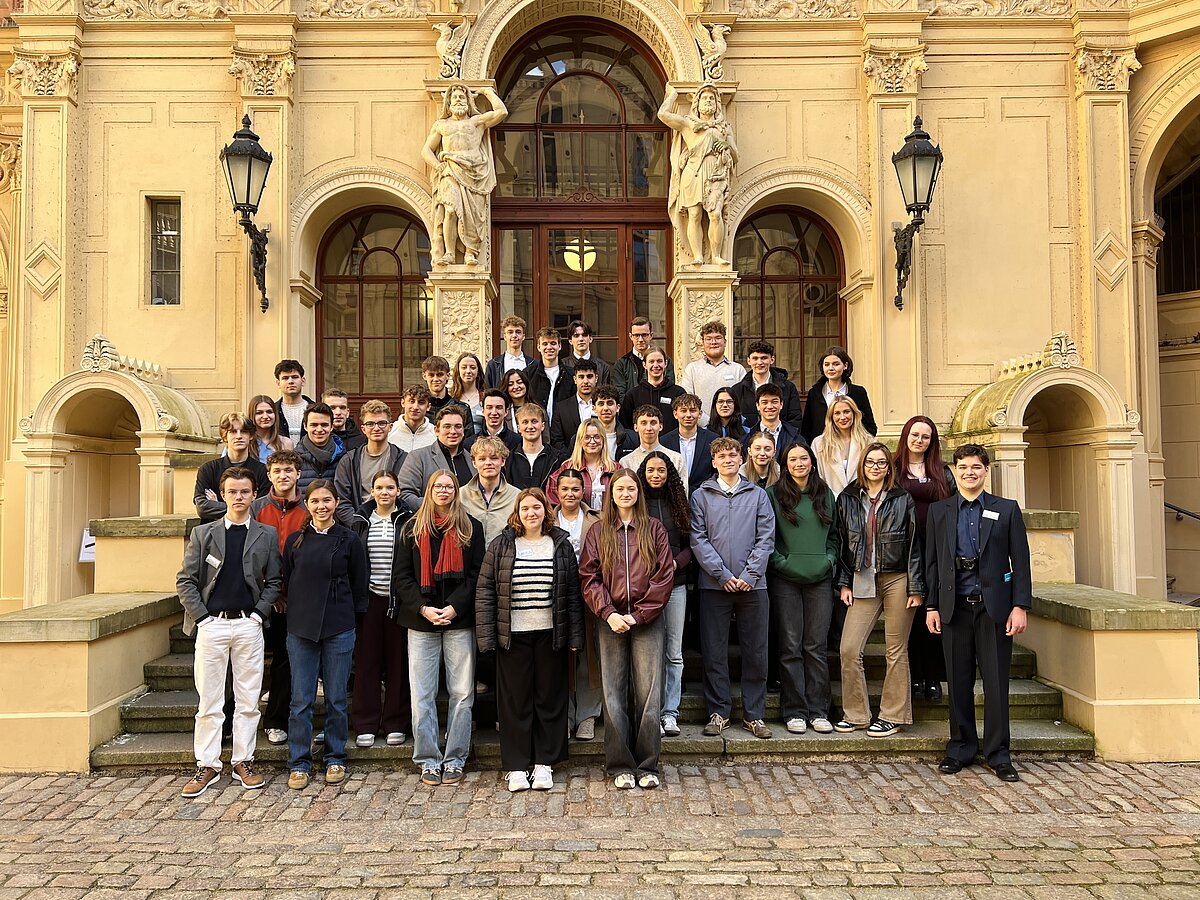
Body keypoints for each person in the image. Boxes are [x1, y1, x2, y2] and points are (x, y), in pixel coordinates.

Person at [925, 444, 1031, 783]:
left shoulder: (1007, 510)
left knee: (997, 684)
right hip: (954, 607)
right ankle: (960, 748)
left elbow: (1022, 562)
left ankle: (999, 754)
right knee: (958, 683)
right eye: (963, 467)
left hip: (994, 609)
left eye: (976, 467)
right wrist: (931, 605)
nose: (969, 472)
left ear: (986, 472)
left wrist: (1020, 606)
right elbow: (931, 563)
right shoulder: (939, 511)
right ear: (954, 471)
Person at [177, 467, 281, 799]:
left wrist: (257, 614)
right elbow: (186, 581)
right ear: (223, 495)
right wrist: (203, 618)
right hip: (212, 624)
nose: (239, 497)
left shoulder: (265, 534)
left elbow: (275, 581)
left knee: (249, 699)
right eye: (233, 492)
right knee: (209, 700)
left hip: (248, 625)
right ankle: (206, 764)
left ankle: (243, 760)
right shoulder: (203, 533)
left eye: (245, 492)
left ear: (254, 495)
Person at [476, 487, 584, 792]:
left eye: (536, 507)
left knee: (548, 699)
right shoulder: (502, 545)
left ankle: (543, 763)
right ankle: (516, 766)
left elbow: (572, 594)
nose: (531, 513)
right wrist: (487, 638)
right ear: (517, 513)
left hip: (551, 634)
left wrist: (574, 636)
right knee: (515, 702)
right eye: (525, 508)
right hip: (513, 636)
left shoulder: (559, 545)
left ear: (545, 511)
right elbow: (485, 592)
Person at [579, 469, 674, 789]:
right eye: (619, 488)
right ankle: (620, 764)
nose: (625, 493)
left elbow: (664, 576)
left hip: (647, 621)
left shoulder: (654, 529)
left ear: (638, 493)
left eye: (631, 488)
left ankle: (648, 765)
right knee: (613, 692)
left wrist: (641, 614)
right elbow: (589, 578)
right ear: (610, 493)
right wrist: (608, 613)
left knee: (648, 692)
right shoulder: (598, 532)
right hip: (610, 621)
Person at [391, 471, 486, 786]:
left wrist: (454, 607)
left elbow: (476, 575)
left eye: (449, 486)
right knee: (422, 694)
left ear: (456, 491)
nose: (443, 491)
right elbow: (401, 576)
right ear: (429, 490)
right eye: (438, 486)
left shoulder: (471, 528)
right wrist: (423, 607)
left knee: (461, 693)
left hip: (459, 619)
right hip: (420, 621)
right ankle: (428, 760)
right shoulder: (410, 529)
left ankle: (456, 757)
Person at [282, 479, 369, 790]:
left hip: (339, 625)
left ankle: (335, 756)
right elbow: (287, 580)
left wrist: (351, 621)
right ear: (308, 505)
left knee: (335, 698)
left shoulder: (349, 540)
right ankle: (300, 762)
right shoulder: (295, 541)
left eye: (327, 500)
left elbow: (360, 585)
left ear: (336, 503)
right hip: (302, 628)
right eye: (315, 501)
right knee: (301, 700)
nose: (321, 506)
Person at [833, 442, 924, 738]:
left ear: (889, 467)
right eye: (870, 462)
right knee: (849, 648)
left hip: (897, 578)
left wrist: (916, 586)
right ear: (862, 466)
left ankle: (892, 715)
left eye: (881, 463)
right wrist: (844, 582)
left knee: (895, 649)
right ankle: (857, 714)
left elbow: (913, 544)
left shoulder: (901, 498)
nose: (875, 467)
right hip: (862, 578)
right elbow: (844, 543)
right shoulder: (847, 497)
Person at [689, 438, 776, 739]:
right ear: (713, 462)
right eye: (721, 455)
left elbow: (766, 537)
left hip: (754, 586)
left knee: (756, 651)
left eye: (733, 454)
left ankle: (755, 714)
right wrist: (721, 574)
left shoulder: (758, 495)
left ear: (742, 459)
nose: (728, 459)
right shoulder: (701, 496)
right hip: (714, 586)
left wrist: (749, 575)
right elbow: (697, 539)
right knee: (714, 652)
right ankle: (718, 712)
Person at [768, 442, 838, 736]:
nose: (799, 463)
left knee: (816, 647)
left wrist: (829, 560)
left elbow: (835, 536)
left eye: (804, 458)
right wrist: (781, 564)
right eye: (793, 459)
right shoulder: (774, 494)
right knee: (790, 646)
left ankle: (819, 710)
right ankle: (794, 710)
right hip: (785, 579)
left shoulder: (826, 494)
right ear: (785, 464)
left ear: (812, 462)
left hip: (819, 579)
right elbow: (766, 536)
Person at [894, 415, 956, 703]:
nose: (919, 440)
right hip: (904, 551)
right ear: (906, 436)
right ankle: (913, 676)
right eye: (915, 435)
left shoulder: (943, 472)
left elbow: (957, 506)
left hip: (936, 550)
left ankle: (933, 677)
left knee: (934, 614)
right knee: (911, 617)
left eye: (926, 436)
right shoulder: (893, 469)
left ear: (932, 442)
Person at [350, 471, 413, 749]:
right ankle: (365, 722)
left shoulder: (407, 520)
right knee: (367, 662)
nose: (385, 492)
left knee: (398, 663)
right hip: (370, 599)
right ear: (371, 491)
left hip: (399, 600)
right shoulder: (361, 521)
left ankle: (396, 722)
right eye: (379, 487)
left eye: (390, 487)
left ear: (398, 491)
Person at [250, 450, 309, 746]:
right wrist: (269, 595)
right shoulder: (256, 507)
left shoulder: (309, 508)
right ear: (269, 475)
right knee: (250, 661)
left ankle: (276, 719)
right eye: (277, 471)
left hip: (297, 599)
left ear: (298, 473)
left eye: (289, 470)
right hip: (259, 598)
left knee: (285, 661)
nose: (283, 476)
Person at [635, 453, 692, 738]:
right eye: (650, 470)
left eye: (661, 470)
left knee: (673, 652)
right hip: (644, 589)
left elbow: (691, 545)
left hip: (676, 585)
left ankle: (670, 712)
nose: (656, 475)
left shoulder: (679, 505)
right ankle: (650, 712)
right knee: (649, 653)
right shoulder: (637, 505)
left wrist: (675, 563)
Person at [423, 82, 508, 266]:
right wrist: (438, 167)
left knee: (474, 215)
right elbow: (426, 151)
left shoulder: (476, 122)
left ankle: (471, 252)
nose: (458, 100)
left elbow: (502, 112)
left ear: (468, 101)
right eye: (455, 97)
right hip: (450, 171)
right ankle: (450, 254)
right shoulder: (441, 125)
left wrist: (486, 91)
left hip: (474, 173)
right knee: (451, 210)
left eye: (462, 96)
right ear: (449, 102)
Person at [658, 83, 738, 268]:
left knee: (715, 214)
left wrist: (726, 146)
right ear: (697, 103)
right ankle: (698, 256)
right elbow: (663, 115)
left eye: (712, 98)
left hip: (715, 172)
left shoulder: (724, 128)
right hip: (693, 171)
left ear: (717, 104)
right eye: (704, 98)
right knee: (694, 214)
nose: (708, 101)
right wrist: (672, 95)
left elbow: (736, 153)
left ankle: (716, 255)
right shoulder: (689, 123)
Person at [551, 468, 603, 740]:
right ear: (556, 491)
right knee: (562, 657)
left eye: (575, 489)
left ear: (583, 490)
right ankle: (566, 713)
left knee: (588, 658)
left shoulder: (597, 519)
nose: (570, 494)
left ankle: (587, 715)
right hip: (556, 595)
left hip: (590, 594)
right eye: (565, 489)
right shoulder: (547, 518)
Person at [334, 399, 407, 525]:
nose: (376, 428)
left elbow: (406, 495)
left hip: (393, 526)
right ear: (363, 428)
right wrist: (358, 524)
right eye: (370, 424)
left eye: (382, 423)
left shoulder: (404, 459)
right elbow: (341, 500)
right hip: (358, 525)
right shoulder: (349, 461)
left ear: (390, 427)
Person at [397, 407, 477, 513]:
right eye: (447, 427)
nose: (453, 431)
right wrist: (436, 509)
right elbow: (404, 494)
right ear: (436, 430)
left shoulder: (473, 459)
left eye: (458, 426)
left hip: (467, 525)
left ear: (463, 431)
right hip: (430, 524)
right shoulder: (418, 457)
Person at [194, 413, 270, 523]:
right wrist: (243, 507)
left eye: (243, 431)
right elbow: (202, 508)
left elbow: (260, 509)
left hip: (251, 533)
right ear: (225, 436)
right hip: (214, 532)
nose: (239, 436)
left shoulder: (262, 471)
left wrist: (218, 504)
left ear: (251, 436)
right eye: (233, 432)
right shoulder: (208, 469)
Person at [800, 346, 877, 445]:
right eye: (827, 364)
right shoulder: (814, 393)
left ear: (845, 365)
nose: (831, 368)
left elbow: (870, 426)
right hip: (822, 450)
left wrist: (859, 444)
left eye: (836, 364)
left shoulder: (858, 392)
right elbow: (807, 427)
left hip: (853, 449)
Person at [680, 321, 746, 424]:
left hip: (733, 429)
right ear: (703, 343)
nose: (713, 342)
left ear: (725, 341)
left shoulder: (738, 370)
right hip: (702, 429)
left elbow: (743, 402)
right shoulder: (692, 369)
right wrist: (706, 423)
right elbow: (687, 401)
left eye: (718, 338)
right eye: (709, 339)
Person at [460, 436, 521, 546]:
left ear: (503, 461)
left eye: (494, 458)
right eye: (482, 459)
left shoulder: (517, 496)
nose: (488, 463)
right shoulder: (460, 495)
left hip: (502, 559)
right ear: (474, 463)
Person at [731, 341, 803, 431]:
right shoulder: (737, 390)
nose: (759, 362)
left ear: (772, 359)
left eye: (764, 358)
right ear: (748, 360)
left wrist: (784, 440)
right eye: (755, 358)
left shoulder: (788, 388)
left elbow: (795, 419)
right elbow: (734, 421)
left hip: (781, 441)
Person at [546, 418, 617, 509]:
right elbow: (553, 502)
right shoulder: (567, 468)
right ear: (580, 440)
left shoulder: (615, 469)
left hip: (609, 522)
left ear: (603, 440)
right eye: (586, 437)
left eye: (596, 437)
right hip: (576, 522)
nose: (592, 441)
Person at [812, 396, 872, 497]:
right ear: (831, 417)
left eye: (846, 411)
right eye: (837, 413)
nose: (843, 417)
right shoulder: (819, 443)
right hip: (830, 503)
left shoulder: (868, 442)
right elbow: (816, 478)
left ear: (854, 413)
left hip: (862, 502)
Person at [620, 405, 688, 491]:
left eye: (653, 423)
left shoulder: (676, 459)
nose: (649, 428)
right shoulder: (626, 462)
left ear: (660, 426)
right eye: (644, 423)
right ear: (636, 427)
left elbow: (683, 495)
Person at [660, 393, 717, 496]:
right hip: (672, 498)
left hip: (705, 497)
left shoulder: (713, 440)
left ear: (700, 414)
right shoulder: (664, 442)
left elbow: (716, 472)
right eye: (683, 410)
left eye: (693, 410)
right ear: (675, 414)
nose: (688, 415)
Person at [619, 347, 684, 430]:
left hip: (671, 442)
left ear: (665, 363)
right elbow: (625, 425)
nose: (656, 365)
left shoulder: (678, 393)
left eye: (659, 361)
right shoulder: (633, 395)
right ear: (644, 365)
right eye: (651, 362)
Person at [611, 316, 675, 399]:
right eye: (636, 335)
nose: (640, 339)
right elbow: (619, 393)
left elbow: (670, 389)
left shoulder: (664, 361)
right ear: (631, 336)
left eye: (644, 335)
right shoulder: (621, 364)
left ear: (651, 335)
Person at [504, 402, 564, 491]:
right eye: (525, 422)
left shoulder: (558, 459)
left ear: (542, 426)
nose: (530, 426)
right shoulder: (508, 459)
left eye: (534, 421)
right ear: (518, 428)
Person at [549, 358, 599, 454]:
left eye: (589, 376)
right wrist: (571, 459)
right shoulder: (561, 408)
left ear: (596, 378)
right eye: (581, 377)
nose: (585, 381)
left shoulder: (604, 407)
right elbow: (557, 440)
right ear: (575, 379)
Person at [524, 327, 574, 423]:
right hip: (535, 428)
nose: (549, 347)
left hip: (563, 428)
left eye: (553, 343)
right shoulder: (528, 374)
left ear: (559, 346)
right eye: (545, 344)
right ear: (538, 347)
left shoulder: (571, 374)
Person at [742, 383, 799, 465]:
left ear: (781, 404)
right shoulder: (747, 439)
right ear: (757, 405)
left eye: (774, 402)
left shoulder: (795, 437)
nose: (770, 406)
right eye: (764, 402)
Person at [295, 403, 346, 493]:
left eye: (324, 425)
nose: (319, 430)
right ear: (305, 426)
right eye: (314, 425)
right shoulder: (294, 459)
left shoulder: (345, 459)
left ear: (331, 427)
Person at [421, 356, 475, 436]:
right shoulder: (418, 409)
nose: (435, 379)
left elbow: (468, 442)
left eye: (440, 375)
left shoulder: (462, 409)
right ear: (424, 376)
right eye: (431, 375)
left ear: (448, 375)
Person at [464, 388, 521, 454]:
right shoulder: (469, 444)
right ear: (483, 411)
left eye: (498, 407)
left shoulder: (518, 442)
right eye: (489, 407)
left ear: (506, 412)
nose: (494, 412)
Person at [486, 315, 534, 389]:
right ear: (505, 337)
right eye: (510, 332)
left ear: (523, 336)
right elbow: (488, 392)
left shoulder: (533, 364)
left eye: (518, 332)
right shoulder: (493, 365)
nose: (514, 335)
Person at [388, 385, 438, 454]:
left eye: (421, 403)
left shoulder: (436, 435)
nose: (415, 407)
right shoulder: (389, 432)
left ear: (428, 407)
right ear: (403, 403)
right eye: (411, 401)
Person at [248, 394, 295, 464]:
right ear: (252, 415)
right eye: (259, 413)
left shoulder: (286, 443)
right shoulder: (245, 442)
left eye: (269, 412)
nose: (265, 416)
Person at [274, 359, 314, 440]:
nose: (290, 381)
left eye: (294, 377)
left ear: (303, 381)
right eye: (285, 378)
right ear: (278, 383)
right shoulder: (272, 411)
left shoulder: (315, 409)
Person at [592, 385, 631, 462]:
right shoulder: (583, 438)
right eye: (601, 404)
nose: (606, 408)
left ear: (618, 407)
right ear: (594, 409)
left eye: (610, 403)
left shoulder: (632, 438)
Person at [565, 319, 611, 385]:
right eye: (576, 336)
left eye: (584, 335)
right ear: (570, 341)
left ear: (590, 338)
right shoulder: (563, 366)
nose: (581, 339)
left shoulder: (603, 367)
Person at [451, 352, 486, 432]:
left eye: (473, 367)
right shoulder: (451, 398)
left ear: (478, 372)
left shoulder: (485, 397)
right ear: (458, 371)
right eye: (464, 367)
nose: (468, 371)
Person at [323, 388, 367, 452]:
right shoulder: (317, 439)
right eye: (332, 408)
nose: (338, 412)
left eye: (342, 408)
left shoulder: (362, 442)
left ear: (348, 412)